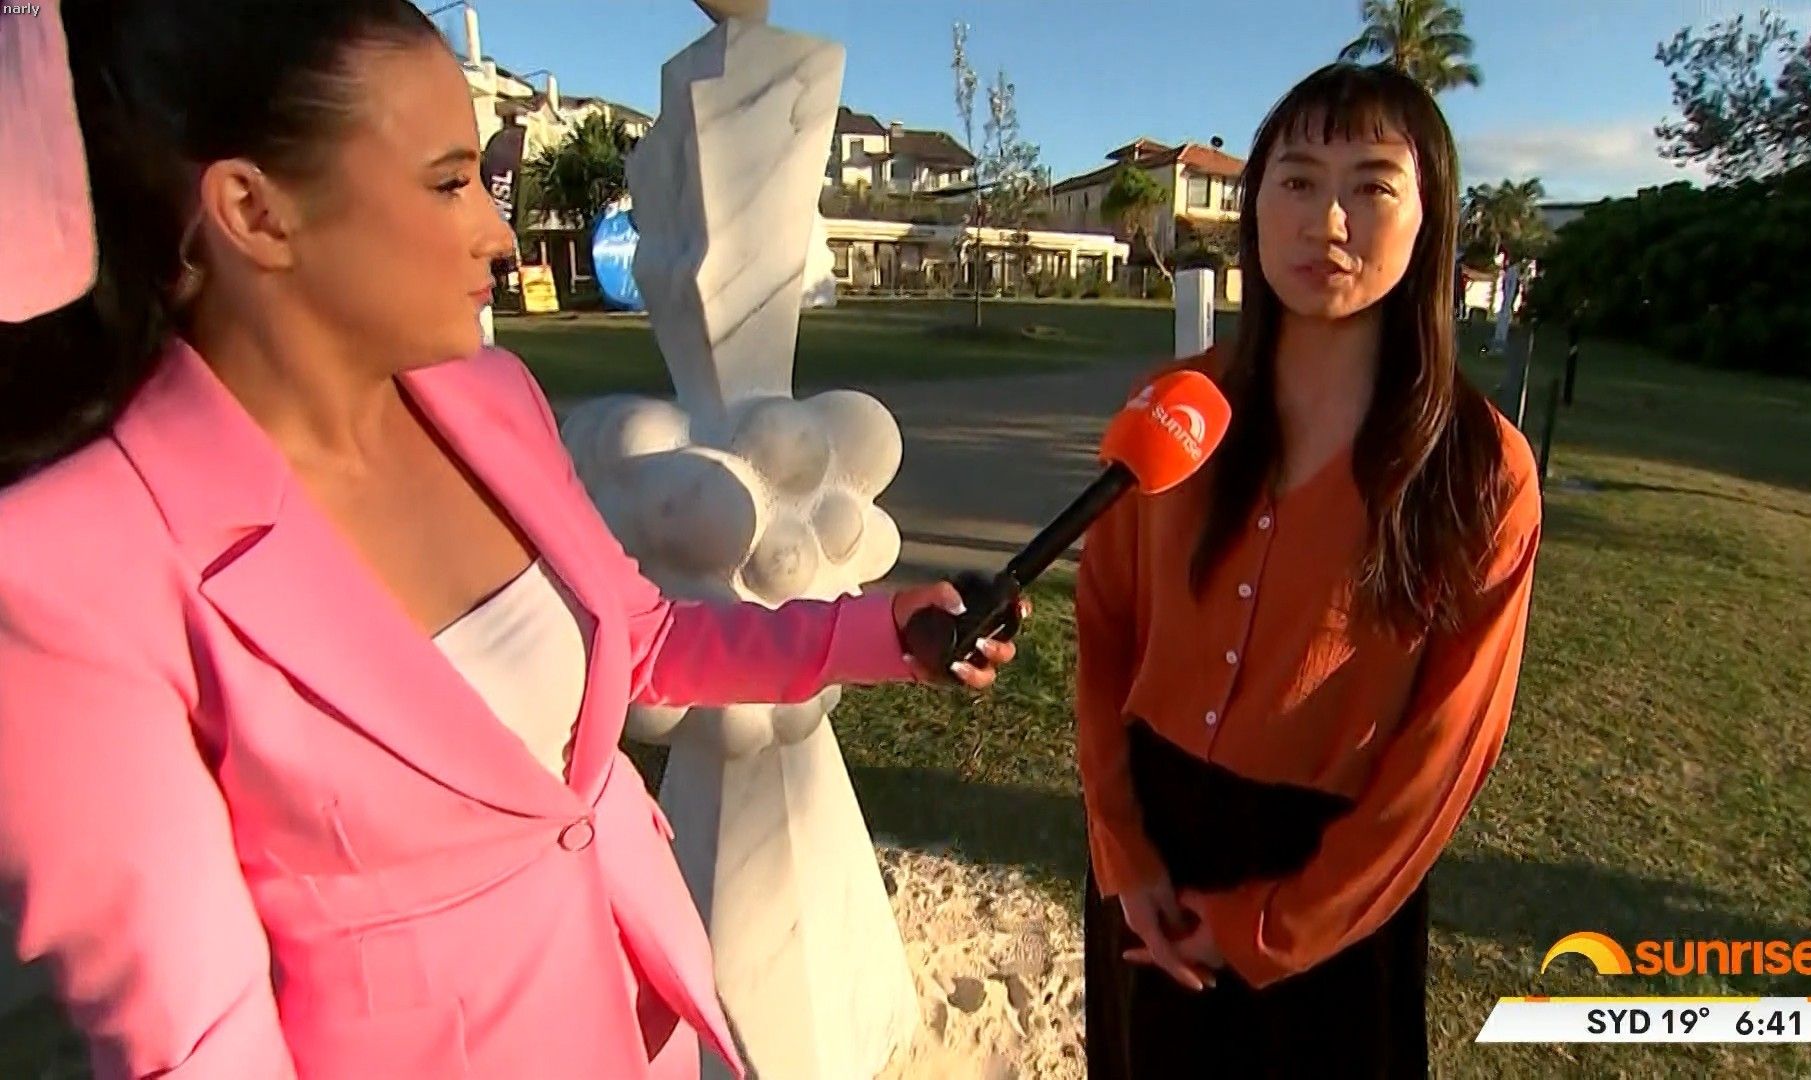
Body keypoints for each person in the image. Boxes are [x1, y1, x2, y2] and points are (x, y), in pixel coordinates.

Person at [0, 3, 1022, 1077]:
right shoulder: (71, 568)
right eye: (450, 183)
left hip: (649, 1030)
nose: (498, 231)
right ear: (254, 211)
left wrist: (882, 632)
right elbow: (200, 1043)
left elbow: (642, 638)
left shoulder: (489, 398)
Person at [1075, 62, 1542, 1078]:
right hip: (1150, 859)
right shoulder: (1173, 407)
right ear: (1254, 208)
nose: (1327, 220)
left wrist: (1271, 926)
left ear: (1430, 218)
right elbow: (1104, 631)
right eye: (1296, 181)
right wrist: (1124, 853)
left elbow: (1446, 751)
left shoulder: (1482, 469)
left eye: (1372, 185)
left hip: (1332, 897)